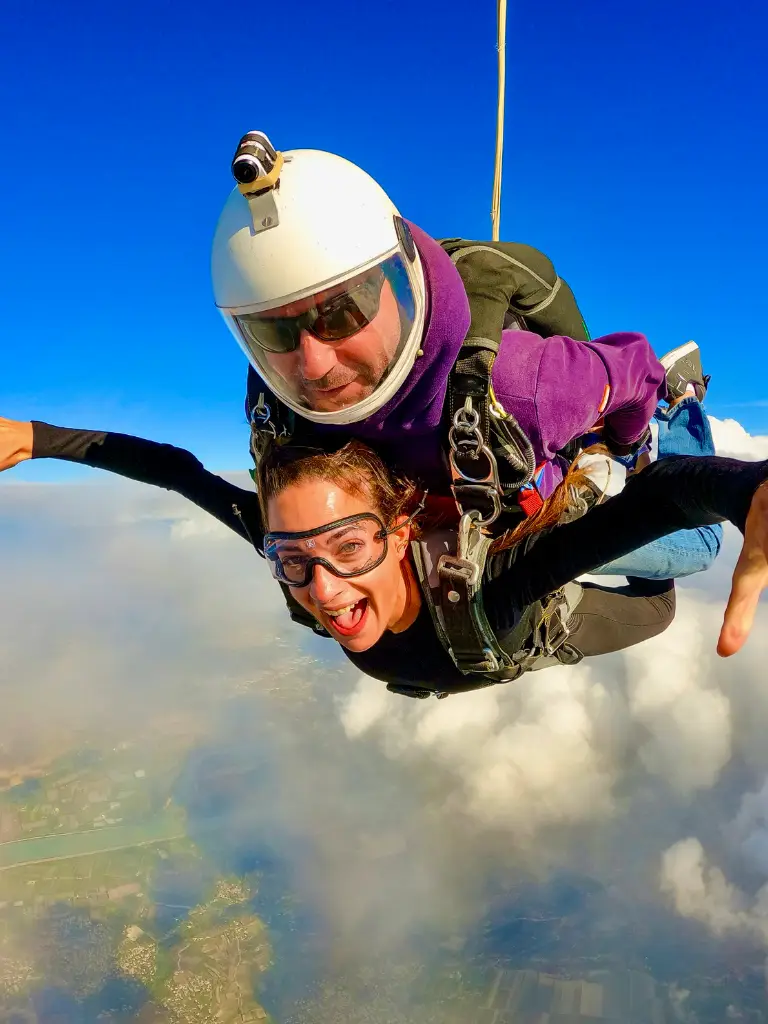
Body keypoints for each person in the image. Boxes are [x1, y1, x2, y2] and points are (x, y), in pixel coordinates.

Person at [210, 131, 721, 582]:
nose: (314, 364)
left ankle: (683, 403)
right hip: (464, 519)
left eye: (342, 312)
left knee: (700, 545)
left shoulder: (525, 386)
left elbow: (636, 364)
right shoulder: (285, 426)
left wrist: (624, 447)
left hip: (541, 498)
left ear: (398, 281)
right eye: (273, 333)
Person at [0, 417, 763, 699]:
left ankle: (672, 402)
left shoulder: (488, 591)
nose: (322, 590)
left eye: (349, 546)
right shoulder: (297, 555)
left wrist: (751, 491)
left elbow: (669, 496)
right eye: (289, 560)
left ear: (399, 529)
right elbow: (177, 469)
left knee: (687, 562)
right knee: (658, 610)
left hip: (528, 607)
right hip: (524, 642)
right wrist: (35, 438)